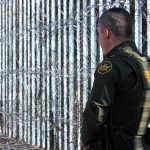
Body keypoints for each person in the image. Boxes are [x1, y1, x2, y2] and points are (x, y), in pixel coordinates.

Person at [80, 7, 150, 150]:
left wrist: (85, 139)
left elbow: (96, 111)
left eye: (98, 34)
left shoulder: (111, 66)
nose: (99, 40)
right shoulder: (146, 63)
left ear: (106, 33)